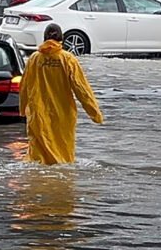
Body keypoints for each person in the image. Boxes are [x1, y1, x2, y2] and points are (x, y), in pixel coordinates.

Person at [18, 24, 104, 165]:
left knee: (38, 158)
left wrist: (22, 110)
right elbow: (82, 89)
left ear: (44, 38)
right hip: (63, 116)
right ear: (61, 38)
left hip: (37, 114)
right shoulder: (68, 59)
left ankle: (40, 185)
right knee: (63, 156)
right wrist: (95, 114)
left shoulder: (34, 59)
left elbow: (24, 87)